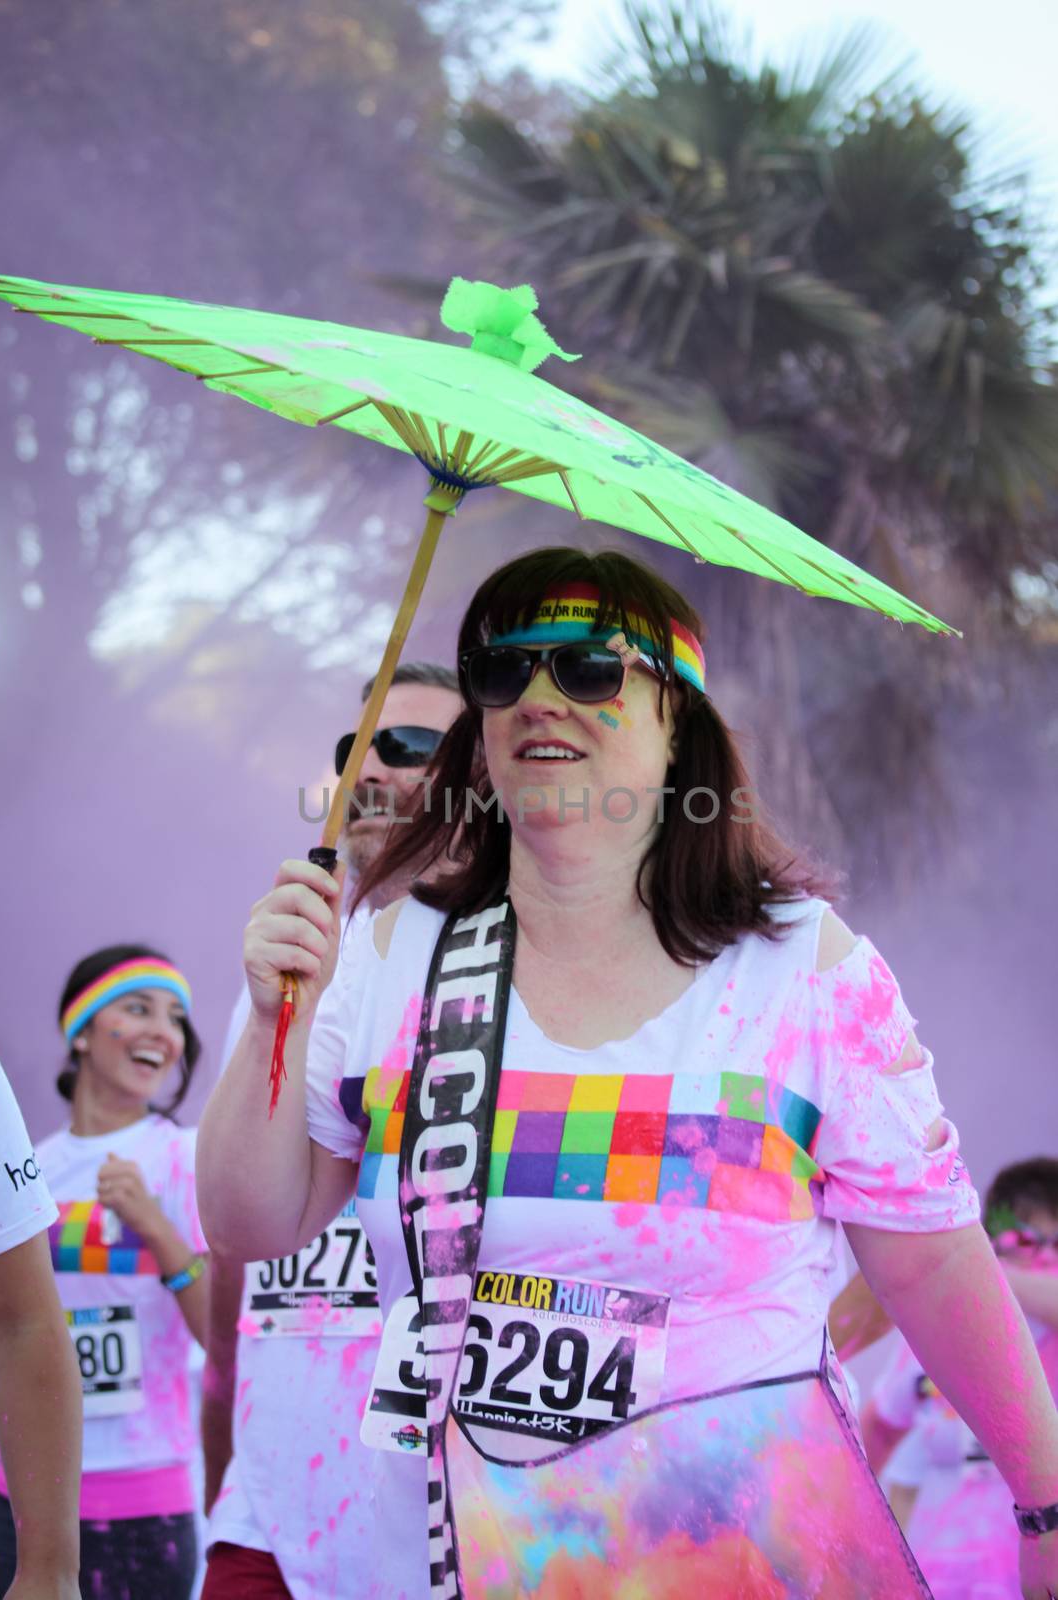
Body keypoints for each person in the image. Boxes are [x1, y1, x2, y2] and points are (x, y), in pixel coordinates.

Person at [197, 547, 1058, 1600]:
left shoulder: (803, 967)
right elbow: (249, 1221)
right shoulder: (385, 955)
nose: (537, 697)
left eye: (588, 669)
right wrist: (272, 1018)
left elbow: (926, 1265)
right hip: (433, 1567)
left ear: (676, 722)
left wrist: (1042, 1493)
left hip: (732, 1562)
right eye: (503, 672)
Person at [200, 663, 461, 1599]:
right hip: (267, 1523)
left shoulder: (530, 974)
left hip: (447, 1532)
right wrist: (221, 1450)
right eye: (356, 750)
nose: (369, 772)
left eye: (413, 749)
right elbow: (236, 1243)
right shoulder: (285, 964)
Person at [0, 947, 209, 1600]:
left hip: (147, 1498)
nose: (161, 1032)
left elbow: (221, 1334)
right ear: (81, 1031)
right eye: (137, 1008)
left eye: (175, 1020)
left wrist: (157, 1230)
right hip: (20, 1496)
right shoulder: (31, 1166)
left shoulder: (185, 1158)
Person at [859, 1158, 1058, 1599]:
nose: (1044, 1256)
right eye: (1026, 1238)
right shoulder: (937, 1334)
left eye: (1057, 1242)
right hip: (940, 1580)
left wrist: (971, 1273)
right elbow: (879, 1435)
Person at [0, 1044, 82, 1600]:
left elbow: (18, 1321)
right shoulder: (50, 1155)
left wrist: (49, 1572)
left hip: (153, 1498)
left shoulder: (175, 1156)